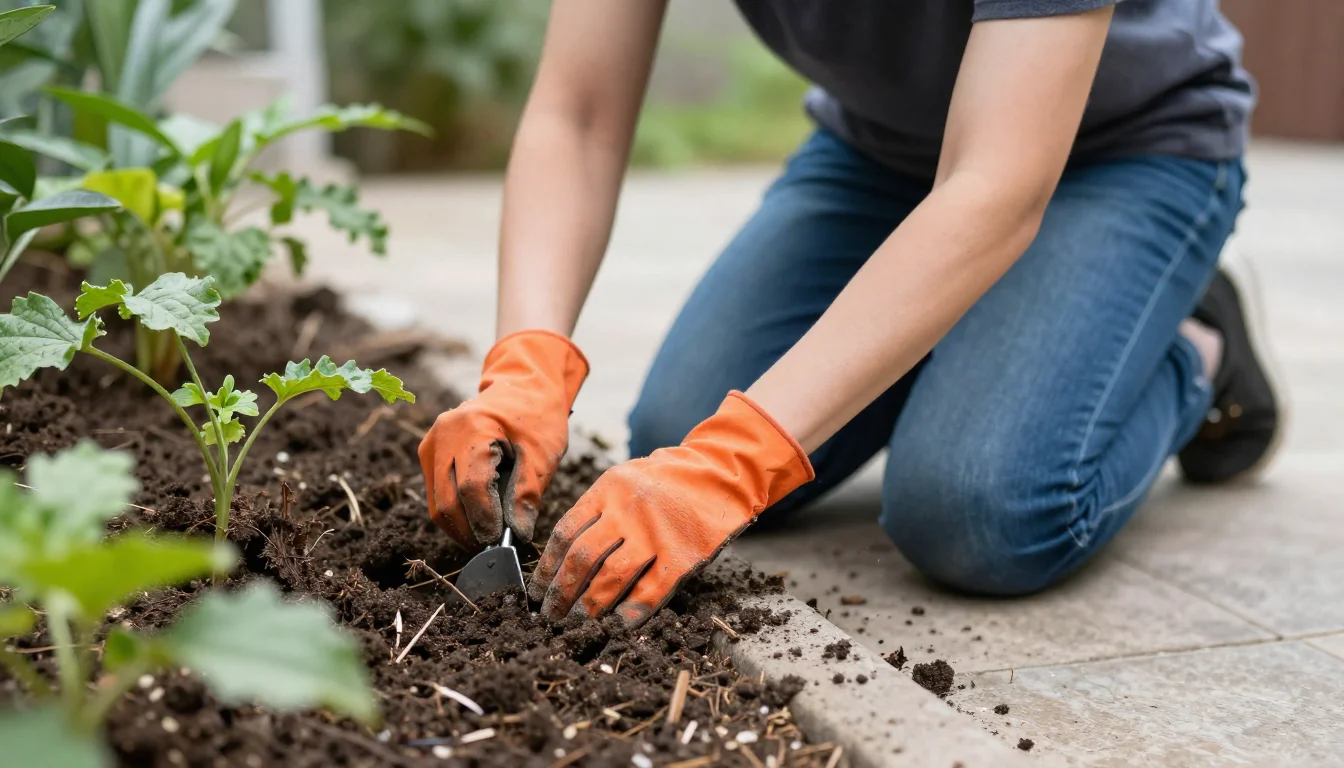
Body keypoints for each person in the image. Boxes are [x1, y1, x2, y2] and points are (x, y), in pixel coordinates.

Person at [418, 0, 1280, 627]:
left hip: (1122, 151)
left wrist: (742, 458)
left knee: (976, 513)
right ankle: (963, 331)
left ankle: (1193, 345)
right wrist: (526, 359)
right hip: (884, 153)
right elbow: (579, 114)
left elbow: (996, 186)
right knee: (680, 428)